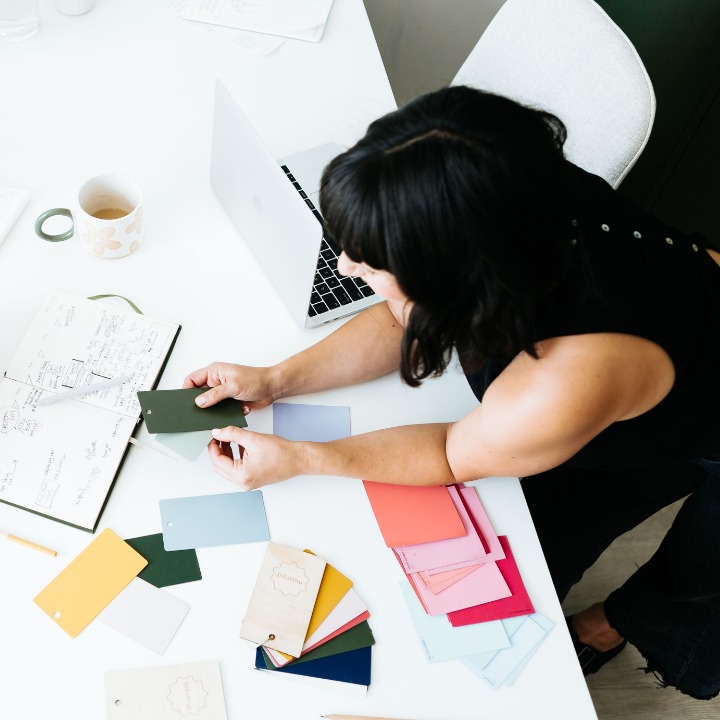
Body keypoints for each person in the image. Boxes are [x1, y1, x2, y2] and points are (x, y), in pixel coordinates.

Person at [186, 86, 719, 699]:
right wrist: (276, 379)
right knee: (555, 517)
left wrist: (305, 457)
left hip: (690, 391)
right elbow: (403, 317)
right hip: (676, 338)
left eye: (370, 262)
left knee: (700, 573)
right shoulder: (502, 188)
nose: (344, 267)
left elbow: (449, 454)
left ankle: (610, 626)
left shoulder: (559, 381)